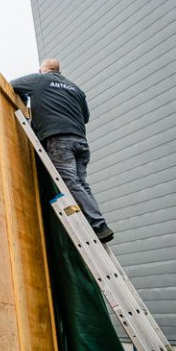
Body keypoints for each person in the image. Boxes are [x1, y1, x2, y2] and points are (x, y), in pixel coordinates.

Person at [11, 59, 114, 244]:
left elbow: (14, 85)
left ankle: (98, 225)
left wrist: (27, 101)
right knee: (82, 183)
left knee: (70, 182)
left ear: (44, 70)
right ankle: (97, 223)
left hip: (59, 140)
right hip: (81, 142)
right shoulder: (76, 89)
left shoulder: (39, 80)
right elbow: (86, 117)